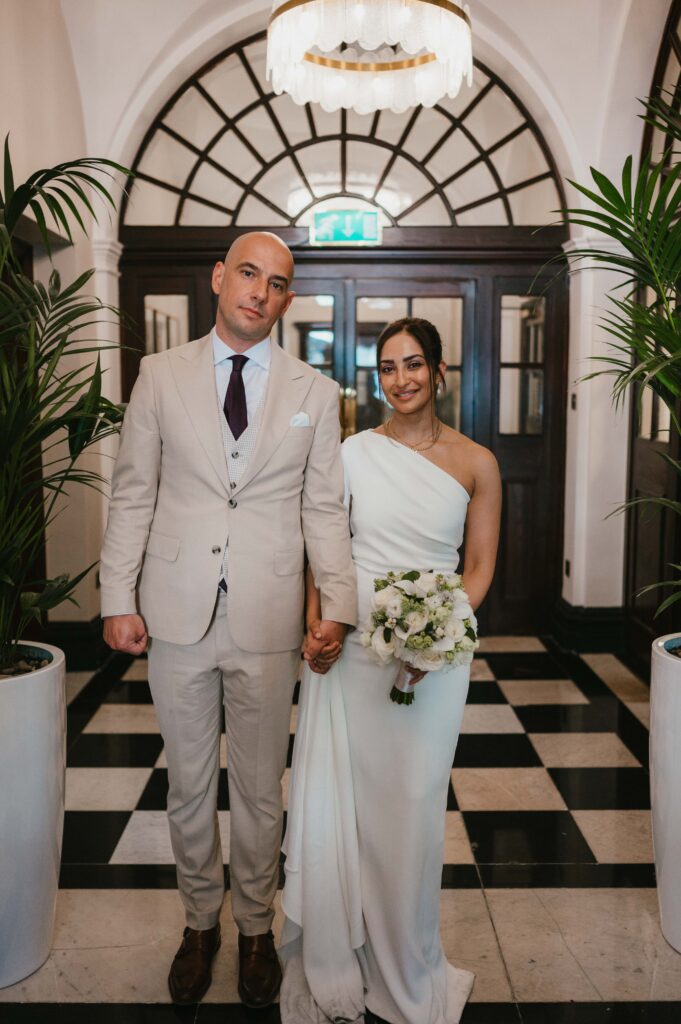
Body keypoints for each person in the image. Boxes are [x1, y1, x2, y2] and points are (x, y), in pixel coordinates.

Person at [99, 231, 357, 1009]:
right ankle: (199, 923)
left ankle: (253, 929)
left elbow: (324, 510)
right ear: (219, 278)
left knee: (259, 790)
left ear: (284, 299)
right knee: (185, 784)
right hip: (174, 609)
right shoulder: (159, 375)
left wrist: (337, 609)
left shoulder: (313, 392)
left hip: (268, 613)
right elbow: (134, 491)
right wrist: (117, 596)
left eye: (276, 283)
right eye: (248, 273)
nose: (259, 292)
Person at [279, 317, 502, 1024]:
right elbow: (326, 549)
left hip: (434, 659)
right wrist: (320, 624)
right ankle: (346, 946)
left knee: (410, 805)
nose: (400, 379)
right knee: (347, 798)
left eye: (413, 364)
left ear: (439, 371)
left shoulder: (477, 462)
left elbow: (478, 567)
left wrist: (433, 636)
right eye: (387, 367)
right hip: (353, 650)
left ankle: (406, 958)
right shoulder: (349, 454)